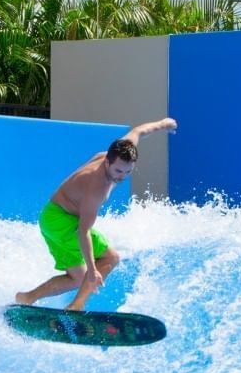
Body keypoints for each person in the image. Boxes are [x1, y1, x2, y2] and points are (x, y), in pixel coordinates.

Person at [16, 118, 176, 312]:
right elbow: (83, 231)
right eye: (118, 170)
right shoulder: (96, 187)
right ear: (107, 161)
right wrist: (93, 271)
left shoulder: (119, 151)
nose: (121, 176)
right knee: (111, 258)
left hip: (50, 218)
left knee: (76, 278)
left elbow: (139, 131)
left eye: (127, 172)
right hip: (64, 223)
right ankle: (76, 306)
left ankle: (26, 297)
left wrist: (163, 124)